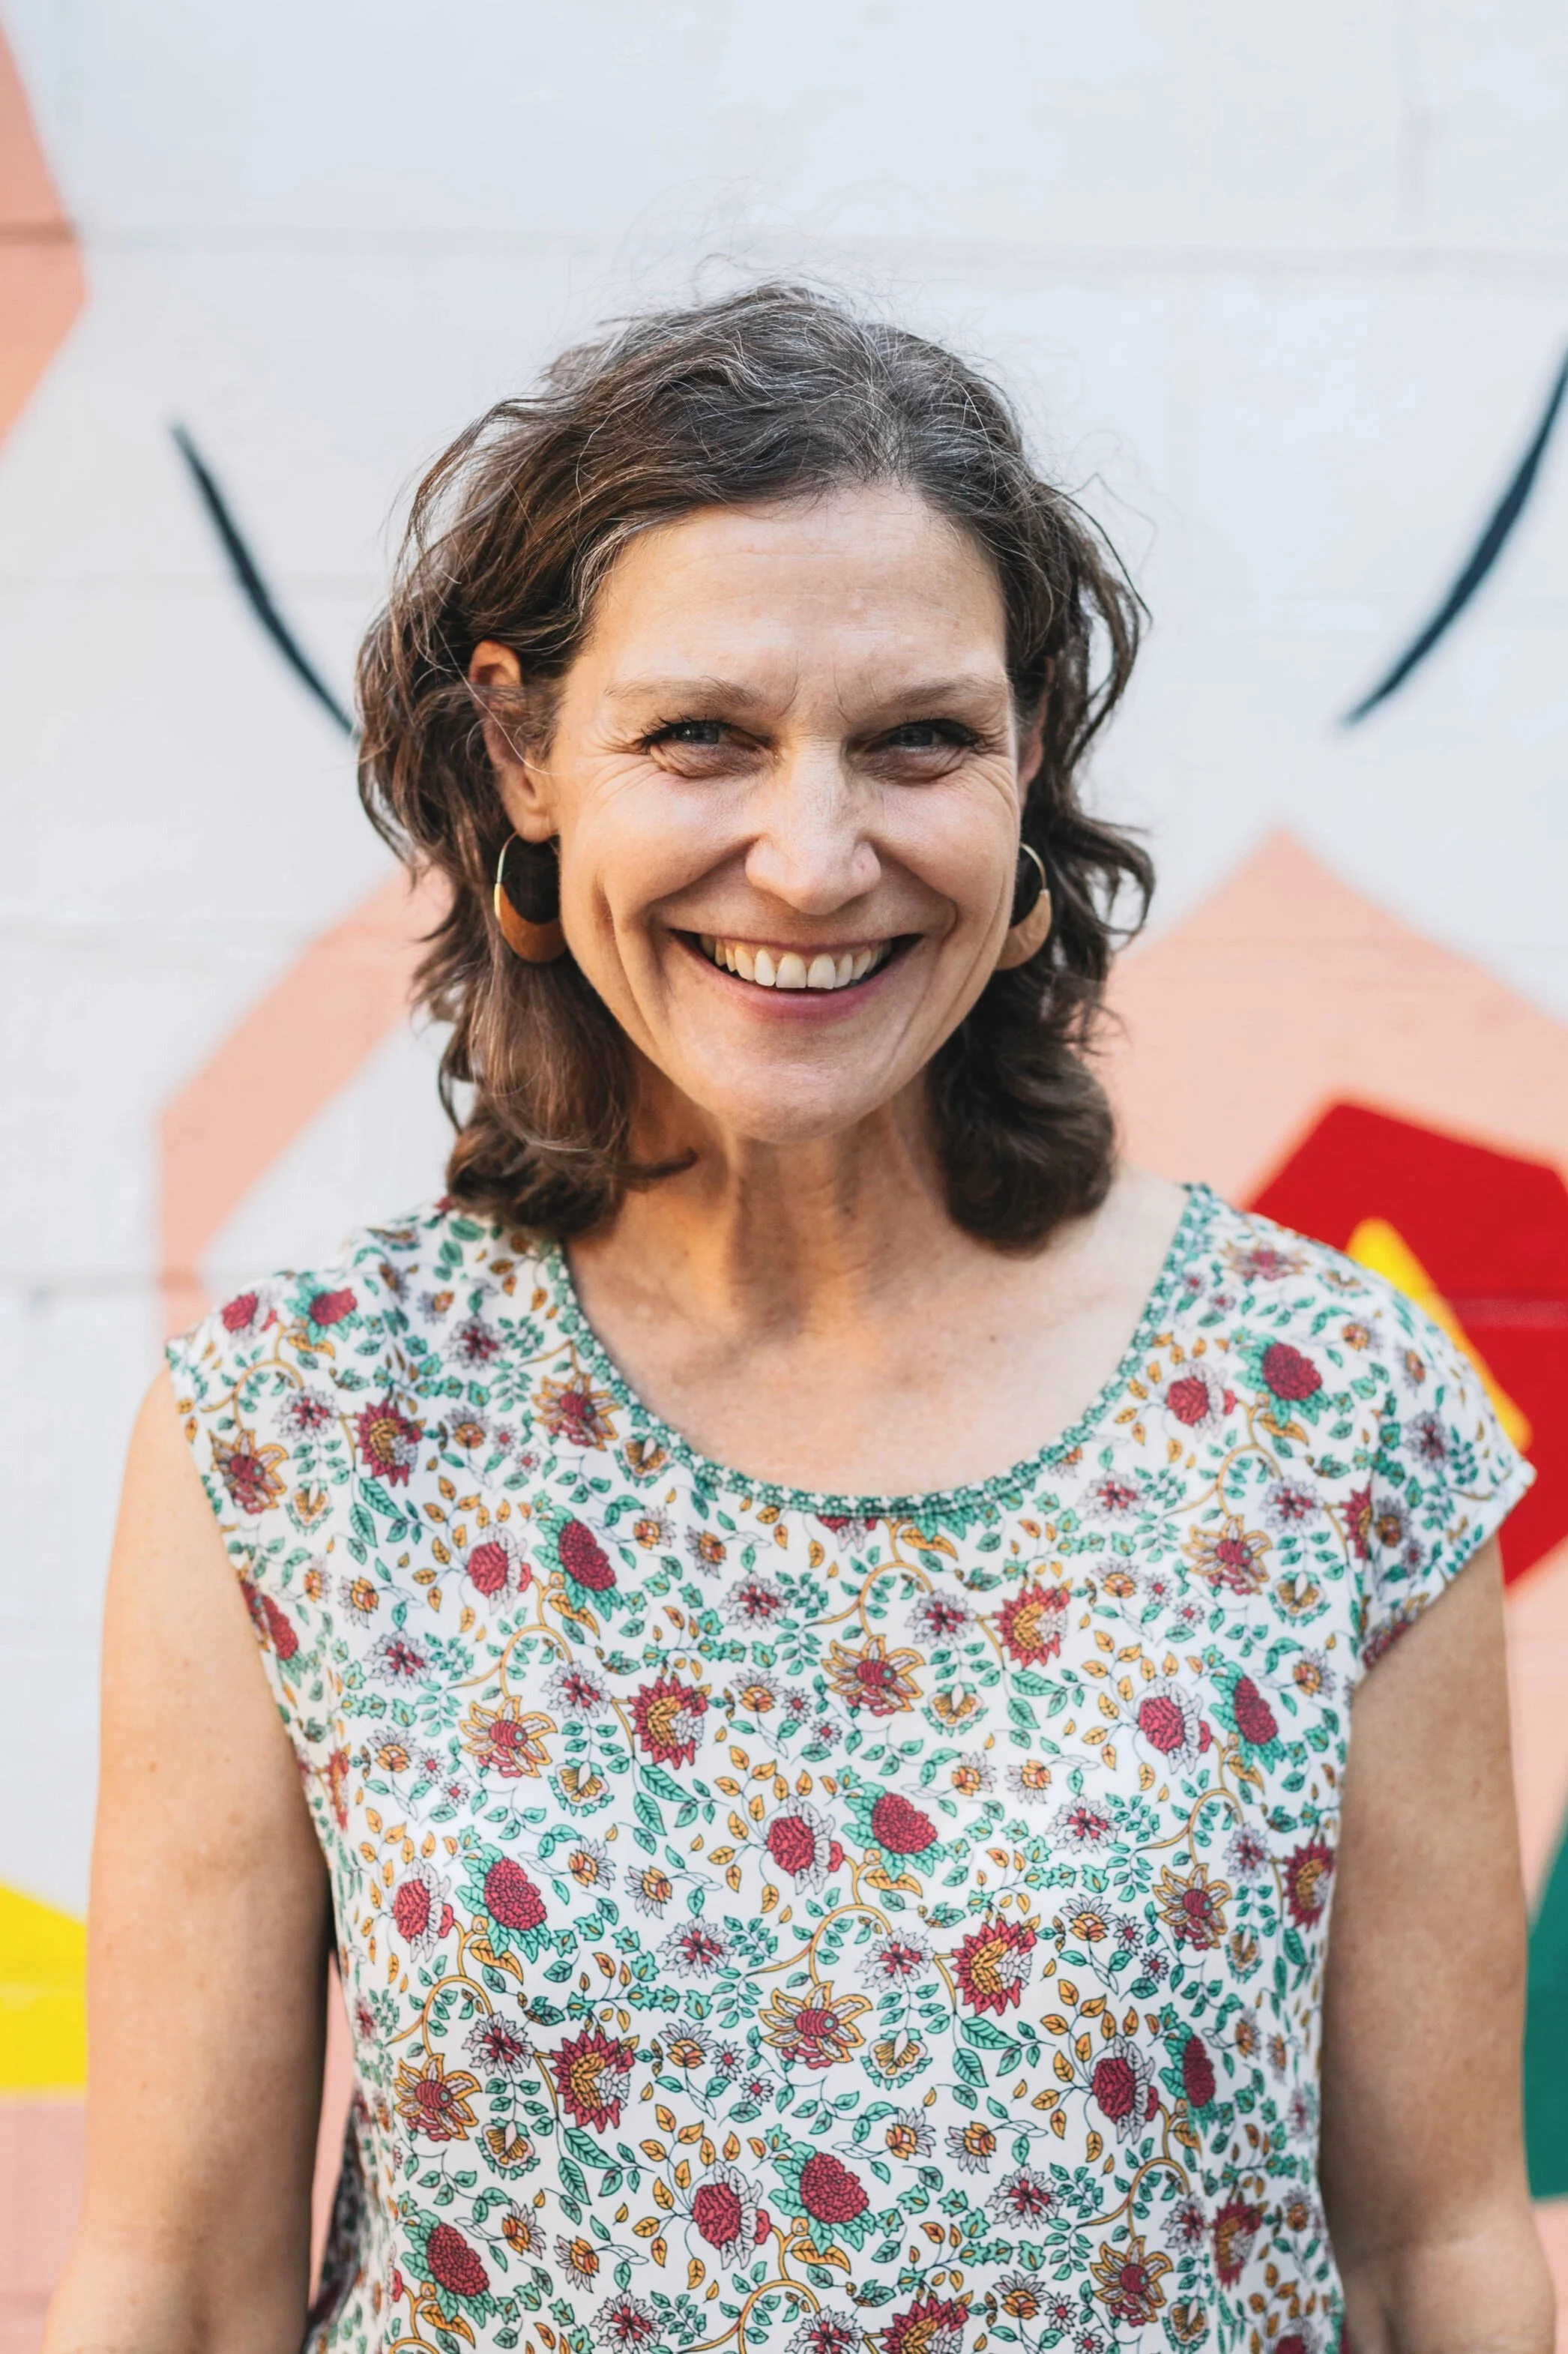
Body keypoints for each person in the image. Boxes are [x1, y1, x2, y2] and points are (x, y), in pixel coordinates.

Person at [46, 286, 1550, 2354]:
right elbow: (185, 2288)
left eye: (917, 736)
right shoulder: (302, 1437)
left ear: (1029, 760)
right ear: (522, 752)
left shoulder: (1325, 1409)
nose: (813, 852)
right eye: (701, 735)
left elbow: (1431, 2253)